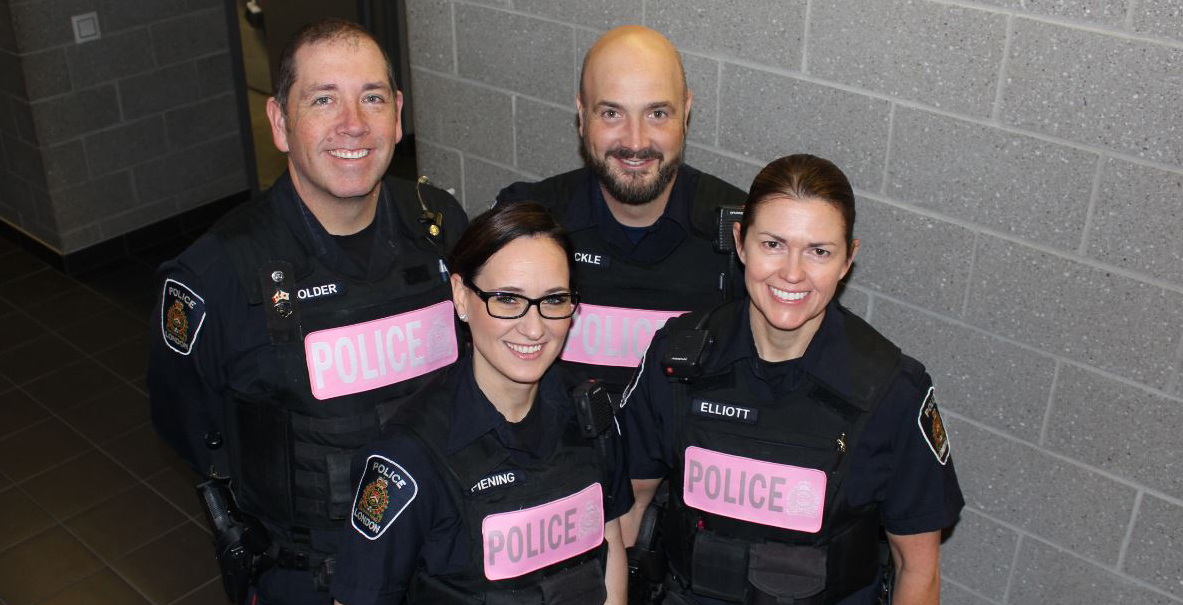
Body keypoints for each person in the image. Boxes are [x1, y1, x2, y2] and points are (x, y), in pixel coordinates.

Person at [147, 19, 468, 604]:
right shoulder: (215, 276)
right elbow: (192, 427)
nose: (353, 124)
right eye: (324, 99)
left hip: (443, 557)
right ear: (280, 122)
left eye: (372, 98)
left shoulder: (443, 227)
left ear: (397, 114)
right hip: (312, 577)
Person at [622, 155, 964, 604]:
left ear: (848, 260)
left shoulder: (892, 392)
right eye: (773, 244)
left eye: (819, 251)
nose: (793, 273)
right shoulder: (677, 356)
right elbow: (626, 508)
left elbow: (917, 571)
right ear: (741, 243)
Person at [331, 203, 633, 605]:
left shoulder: (591, 413)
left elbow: (608, 538)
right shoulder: (407, 458)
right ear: (460, 295)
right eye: (507, 299)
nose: (533, 327)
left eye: (554, 299)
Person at [496, 25, 748, 397]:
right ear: (582, 115)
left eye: (657, 113)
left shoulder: (742, 234)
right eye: (612, 113)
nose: (635, 141)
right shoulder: (528, 222)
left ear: (686, 113)